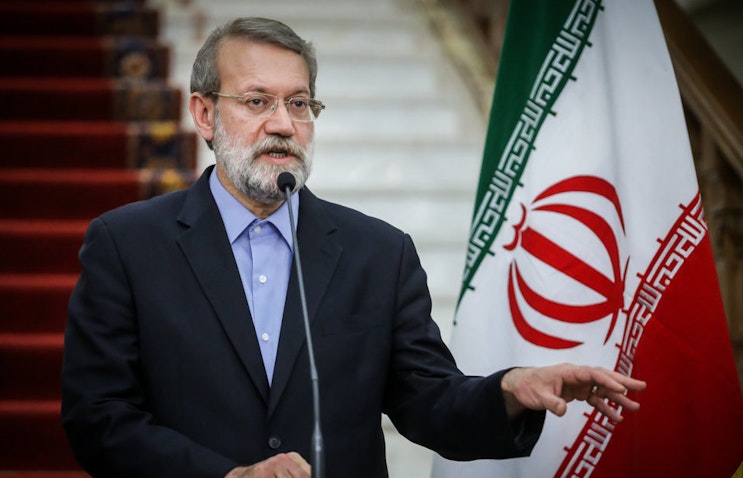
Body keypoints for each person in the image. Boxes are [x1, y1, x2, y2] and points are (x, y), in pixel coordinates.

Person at [61, 17, 646, 478]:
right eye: (257, 101)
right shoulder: (127, 244)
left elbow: (428, 402)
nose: (284, 124)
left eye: (299, 103)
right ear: (205, 113)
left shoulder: (378, 253)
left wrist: (507, 392)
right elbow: (98, 418)